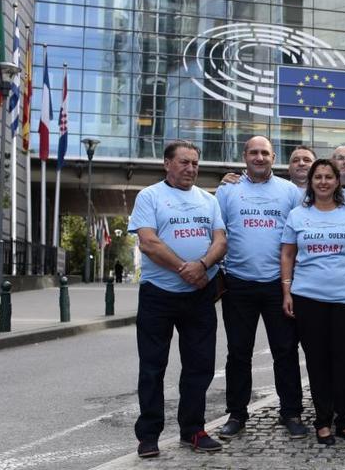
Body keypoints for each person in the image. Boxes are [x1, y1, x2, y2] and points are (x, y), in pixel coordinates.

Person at [127, 140, 227, 458]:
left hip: (200, 295)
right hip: (159, 296)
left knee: (200, 366)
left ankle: (193, 430)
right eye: (184, 162)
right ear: (167, 164)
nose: (191, 168)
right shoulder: (150, 196)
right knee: (153, 367)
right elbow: (148, 243)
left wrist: (203, 266)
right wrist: (186, 268)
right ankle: (148, 435)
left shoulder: (208, 200)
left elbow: (220, 241)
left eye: (195, 163)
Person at [214, 136, 306, 440]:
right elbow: (217, 234)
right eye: (253, 152)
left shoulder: (290, 191)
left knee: (285, 350)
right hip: (238, 284)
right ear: (244, 156)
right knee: (238, 353)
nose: (259, 157)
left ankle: (291, 412)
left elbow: (298, 238)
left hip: (278, 284)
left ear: (273, 156)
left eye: (264, 153)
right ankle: (237, 414)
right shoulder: (227, 191)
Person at [280, 159, 345, 446]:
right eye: (317, 177)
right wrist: (287, 291)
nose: (323, 181)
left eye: (328, 177)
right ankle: (322, 422)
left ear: (336, 181)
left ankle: (344, 421)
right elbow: (287, 255)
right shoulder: (297, 214)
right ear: (311, 182)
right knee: (318, 362)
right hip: (309, 298)